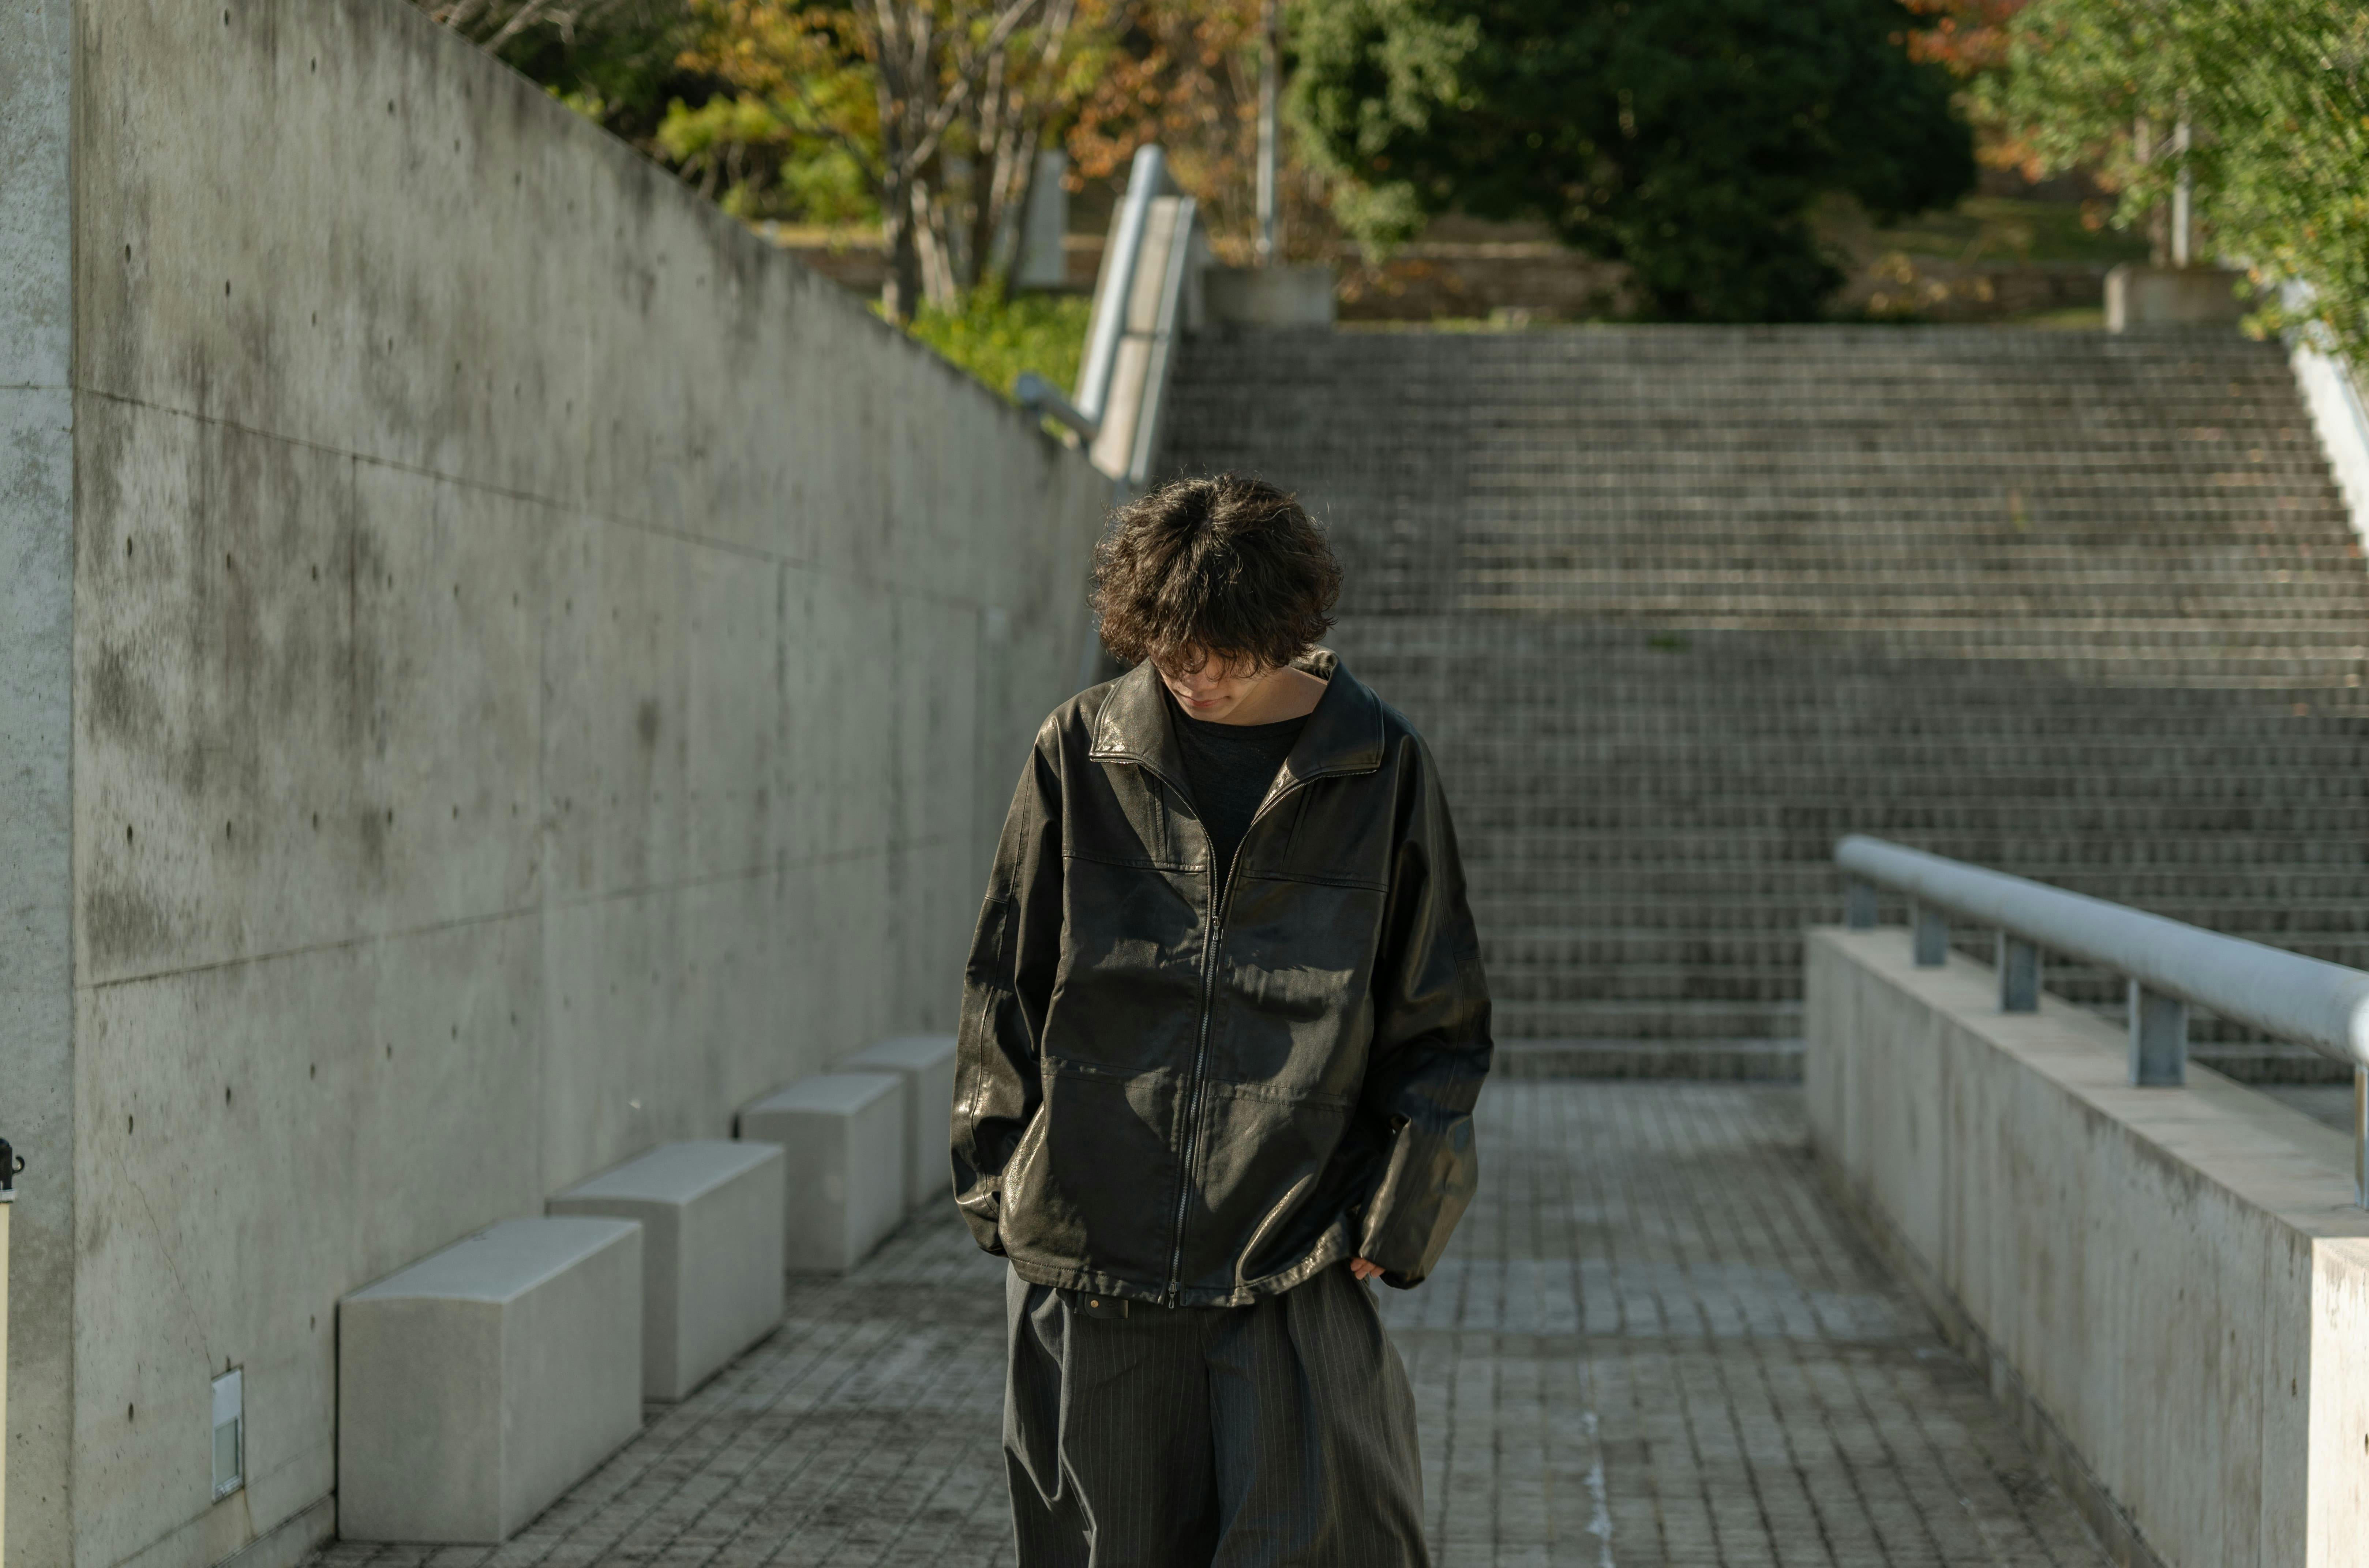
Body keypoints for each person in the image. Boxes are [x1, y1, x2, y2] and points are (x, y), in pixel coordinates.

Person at [951, 473, 1493, 1568]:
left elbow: (1438, 1014)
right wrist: (999, 1181)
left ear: (1284, 627)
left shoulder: (1379, 765)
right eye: (1171, 653)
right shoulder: (1080, 749)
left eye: (1224, 654)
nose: (1196, 678)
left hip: (1293, 1249)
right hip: (1091, 1245)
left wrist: (1399, 1212)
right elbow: (1006, 977)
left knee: (1333, 1544)